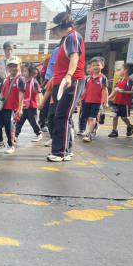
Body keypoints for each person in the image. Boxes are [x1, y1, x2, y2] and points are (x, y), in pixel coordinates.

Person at [46, 12, 86, 162]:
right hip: (60, 82)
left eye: (53, 29)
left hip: (71, 80)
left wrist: (69, 76)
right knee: (63, 117)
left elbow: (74, 57)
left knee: (61, 117)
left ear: (59, 26)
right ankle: (66, 150)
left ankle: (59, 152)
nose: (52, 32)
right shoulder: (64, 39)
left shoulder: (72, 36)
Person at [0, 56, 25, 154]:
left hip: (12, 109)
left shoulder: (20, 79)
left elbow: (20, 93)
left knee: (9, 128)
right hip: (3, 108)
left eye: (15, 66)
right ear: (7, 68)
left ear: (20, 67)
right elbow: (1, 93)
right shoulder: (5, 80)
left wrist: (20, 108)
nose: (13, 68)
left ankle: (11, 145)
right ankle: (0, 142)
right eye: (10, 66)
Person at [81, 57, 108, 142]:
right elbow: (85, 90)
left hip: (96, 102)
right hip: (86, 101)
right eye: (93, 65)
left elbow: (105, 90)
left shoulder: (103, 78)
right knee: (88, 118)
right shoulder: (87, 78)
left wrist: (105, 101)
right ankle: (91, 131)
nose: (95, 67)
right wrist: (78, 98)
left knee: (92, 118)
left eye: (98, 65)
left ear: (102, 66)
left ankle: (89, 134)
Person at [14, 63, 42, 142]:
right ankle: (15, 135)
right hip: (23, 106)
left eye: (26, 71)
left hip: (31, 106)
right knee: (19, 121)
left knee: (33, 121)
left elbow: (38, 94)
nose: (24, 73)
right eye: (23, 71)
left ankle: (38, 133)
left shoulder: (34, 83)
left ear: (31, 73)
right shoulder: (23, 82)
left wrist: (40, 103)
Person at [107, 63, 133, 137]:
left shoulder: (130, 81)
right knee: (114, 116)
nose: (120, 71)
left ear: (125, 71)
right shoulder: (119, 80)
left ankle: (129, 126)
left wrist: (124, 92)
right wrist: (108, 98)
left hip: (125, 102)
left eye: (121, 69)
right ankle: (114, 131)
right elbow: (115, 90)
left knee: (123, 117)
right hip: (116, 102)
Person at [39, 47, 59, 132]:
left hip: (61, 80)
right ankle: (43, 123)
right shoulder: (57, 51)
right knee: (47, 104)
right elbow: (43, 73)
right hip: (52, 79)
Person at [77, 62, 93, 135]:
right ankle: (81, 128)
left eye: (90, 67)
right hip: (84, 99)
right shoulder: (85, 78)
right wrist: (79, 98)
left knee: (92, 116)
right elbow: (82, 89)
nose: (88, 69)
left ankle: (93, 128)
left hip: (94, 100)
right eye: (87, 68)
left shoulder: (101, 78)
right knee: (83, 114)